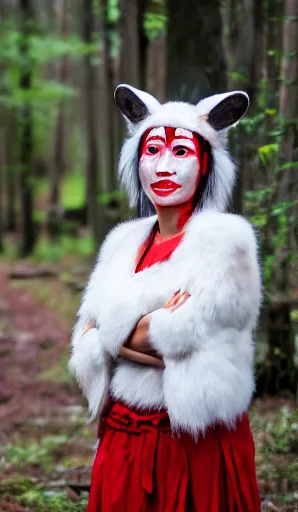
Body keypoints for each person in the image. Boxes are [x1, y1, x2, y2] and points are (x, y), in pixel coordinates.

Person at [69, 84, 262, 511]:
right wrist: (142, 330)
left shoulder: (227, 243)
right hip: (122, 440)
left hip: (193, 448)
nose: (163, 167)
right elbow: (87, 337)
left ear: (206, 163)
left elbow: (185, 337)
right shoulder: (123, 243)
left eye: (180, 153)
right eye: (152, 150)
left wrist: (110, 333)